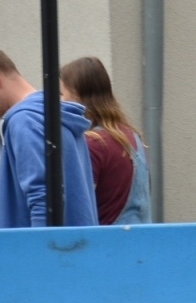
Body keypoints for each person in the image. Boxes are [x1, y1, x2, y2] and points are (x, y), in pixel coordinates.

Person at [0, 45, 98, 229]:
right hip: (74, 247)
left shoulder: (24, 121)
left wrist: (39, 251)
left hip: (44, 252)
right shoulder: (54, 114)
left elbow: (44, 198)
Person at [59, 56, 153, 225]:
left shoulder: (92, 143)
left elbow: (79, 212)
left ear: (79, 96)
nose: (59, 102)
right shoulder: (132, 136)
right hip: (143, 243)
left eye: (61, 94)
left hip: (106, 246)